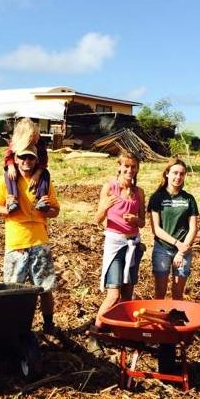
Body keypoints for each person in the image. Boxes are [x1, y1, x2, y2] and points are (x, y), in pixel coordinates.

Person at [0, 145, 60, 333]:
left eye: (31, 158)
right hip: (16, 242)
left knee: (45, 288)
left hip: (39, 241)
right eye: (23, 158)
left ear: (36, 160)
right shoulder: (7, 181)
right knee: (12, 290)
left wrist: (47, 210)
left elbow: (56, 210)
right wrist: (7, 210)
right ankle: (12, 327)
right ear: (16, 159)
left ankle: (48, 325)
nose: (27, 162)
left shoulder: (44, 181)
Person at [88, 151, 145, 355]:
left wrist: (134, 220)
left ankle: (124, 332)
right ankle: (95, 334)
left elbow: (143, 222)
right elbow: (97, 219)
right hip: (115, 244)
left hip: (133, 244)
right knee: (113, 294)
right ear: (119, 167)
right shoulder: (110, 188)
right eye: (126, 167)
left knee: (128, 294)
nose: (129, 170)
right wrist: (104, 207)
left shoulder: (139, 192)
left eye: (133, 167)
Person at [147, 158, 199, 300]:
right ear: (167, 174)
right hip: (162, 249)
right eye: (175, 173)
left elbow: (193, 228)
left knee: (177, 293)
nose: (178, 177)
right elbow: (156, 229)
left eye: (182, 174)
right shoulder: (157, 197)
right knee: (160, 292)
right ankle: (159, 320)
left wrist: (182, 251)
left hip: (184, 250)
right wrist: (177, 244)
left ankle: (175, 321)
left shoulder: (189, 199)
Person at [3, 118, 51, 213]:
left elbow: (43, 160)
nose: (34, 140)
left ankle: (41, 199)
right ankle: (13, 200)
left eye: (35, 137)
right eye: (31, 138)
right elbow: (8, 155)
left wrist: (37, 174)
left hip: (35, 166)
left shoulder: (39, 143)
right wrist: (11, 166)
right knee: (8, 173)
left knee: (45, 174)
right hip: (19, 166)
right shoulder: (16, 143)